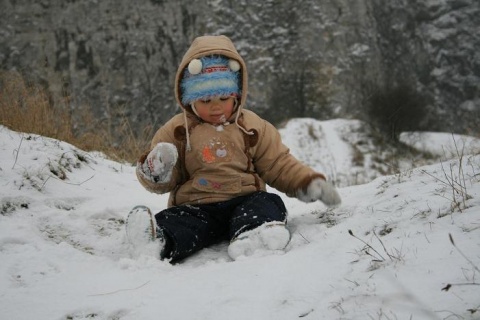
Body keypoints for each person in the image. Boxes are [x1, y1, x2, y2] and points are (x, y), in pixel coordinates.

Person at [129, 35, 341, 263]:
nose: (216, 106)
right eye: (206, 100)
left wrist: (307, 183)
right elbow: (167, 180)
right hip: (197, 206)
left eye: (223, 97)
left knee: (268, 203)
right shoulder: (177, 130)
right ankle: (159, 240)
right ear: (190, 99)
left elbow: (278, 164)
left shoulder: (252, 127)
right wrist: (156, 171)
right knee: (179, 220)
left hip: (244, 200)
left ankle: (255, 233)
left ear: (237, 94)